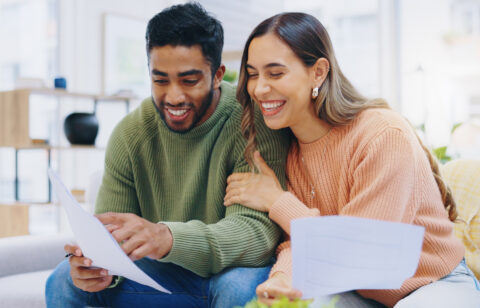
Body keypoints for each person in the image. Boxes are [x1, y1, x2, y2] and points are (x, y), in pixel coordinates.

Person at [224, 12, 480, 308]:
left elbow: (362, 249)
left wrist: (277, 201)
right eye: (253, 74)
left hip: (433, 284)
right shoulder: (289, 151)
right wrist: (283, 278)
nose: (258, 88)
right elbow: (302, 243)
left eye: (275, 73)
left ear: (318, 72)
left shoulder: (382, 134)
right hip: (358, 291)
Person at [45, 3, 290, 308]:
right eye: (160, 80)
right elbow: (110, 237)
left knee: (239, 288)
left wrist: (169, 237)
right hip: (163, 278)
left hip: (226, 275)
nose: (174, 96)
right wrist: (98, 268)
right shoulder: (131, 134)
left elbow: (255, 236)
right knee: (62, 282)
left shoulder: (250, 124)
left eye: (189, 81)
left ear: (217, 75)